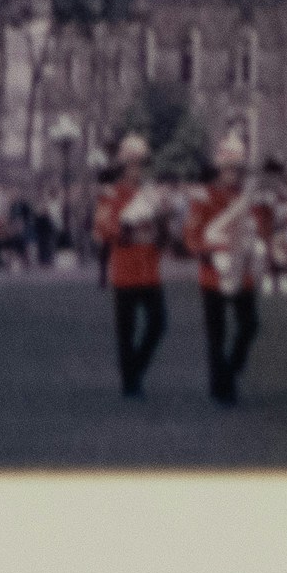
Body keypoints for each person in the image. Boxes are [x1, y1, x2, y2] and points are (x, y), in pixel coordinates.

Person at [190, 126, 271, 406]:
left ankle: (231, 368)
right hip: (214, 272)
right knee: (217, 334)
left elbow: (262, 231)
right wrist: (210, 253)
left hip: (242, 272)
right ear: (220, 169)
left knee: (249, 326)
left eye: (237, 170)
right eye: (228, 169)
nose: (233, 175)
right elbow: (193, 235)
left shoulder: (250, 199)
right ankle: (221, 387)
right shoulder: (205, 198)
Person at [96, 137, 173, 396]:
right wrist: (126, 227)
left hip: (149, 268)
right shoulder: (112, 194)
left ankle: (136, 367)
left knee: (158, 323)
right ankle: (130, 381)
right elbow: (103, 228)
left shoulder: (151, 193)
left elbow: (164, 233)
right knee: (126, 331)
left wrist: (163, 223)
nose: (137, 169)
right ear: (124, 166)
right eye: (133, 164)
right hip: (126, 269)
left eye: (141, 164)